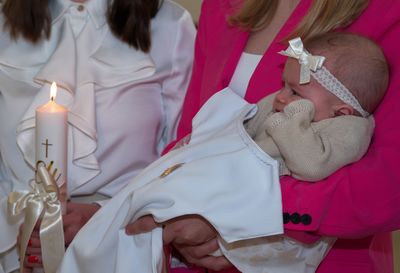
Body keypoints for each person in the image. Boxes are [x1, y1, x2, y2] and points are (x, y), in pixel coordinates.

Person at [56, 32, 387, 273]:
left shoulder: (347, 128)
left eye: (293, 91)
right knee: (132, 226)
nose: (281, 98)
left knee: (134, 240)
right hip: (215, 187)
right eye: (284, 87)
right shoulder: (223, 11)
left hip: (276, 228)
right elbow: (210, 129)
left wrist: (226, 214)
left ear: (342, 111)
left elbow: (321, 169)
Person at [127, 0, 400, 273]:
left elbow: (386, 187)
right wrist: (149, 198)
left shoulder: (386, 11)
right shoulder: (220, 5)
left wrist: (231, 210)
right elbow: (194, 132)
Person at [0, 0, 195, 272]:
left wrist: (102, 217)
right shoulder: (4, 25)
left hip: (121, 250)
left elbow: (183, 165)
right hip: (12, 251)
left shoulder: (170, 26)